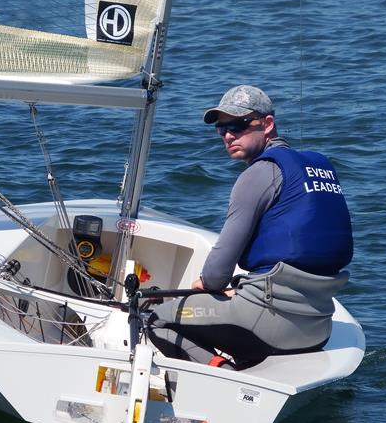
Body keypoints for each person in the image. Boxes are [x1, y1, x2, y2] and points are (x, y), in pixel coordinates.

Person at [146, 85, 353, 369]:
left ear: (267, 124)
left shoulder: (258, 174)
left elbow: (216, 275)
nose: (229, 135)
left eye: (239, 125)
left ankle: (226, 377)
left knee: (156, 319)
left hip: (268, 323)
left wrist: (207, 286)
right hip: (317, 329)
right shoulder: (320, 166)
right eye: (222, 130)